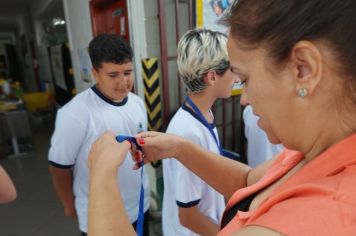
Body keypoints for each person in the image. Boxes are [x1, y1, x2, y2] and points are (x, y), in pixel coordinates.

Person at [88, 0, 356, 235]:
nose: (245, 99)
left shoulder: (327, 213)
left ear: (303, 69)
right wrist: (178, 148)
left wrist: (100, 176)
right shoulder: (309, 149)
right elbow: (250, 182)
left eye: (246, 79)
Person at [48, 34, 150, 235]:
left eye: (128, 72)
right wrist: (69, 204)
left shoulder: (137, 103)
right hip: (100, 214)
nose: (124, 82)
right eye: (113, 75)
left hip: (139, 205)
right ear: (95, 73)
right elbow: (59, 166)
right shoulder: (75, 113)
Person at [162, 28, 238, 235]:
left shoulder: (205, 115)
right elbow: (188, 217)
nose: (237, 78)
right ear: (212, 77)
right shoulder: (188, 132)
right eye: (232, 70)